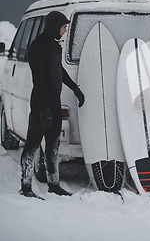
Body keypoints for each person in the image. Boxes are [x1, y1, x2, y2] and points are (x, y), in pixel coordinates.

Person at [20, 11, 85, 200]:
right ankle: (25, 186)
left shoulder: (54, 46)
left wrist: (75, 89)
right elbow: (38, 81)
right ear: (54, 26)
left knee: (53, 145)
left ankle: (54, 184)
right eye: (64, 27)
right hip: (42, 104)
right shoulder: (38, 47)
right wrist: (44, 109)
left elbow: (59, 70)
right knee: (32, 146)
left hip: (54, 103)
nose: (65, 31)